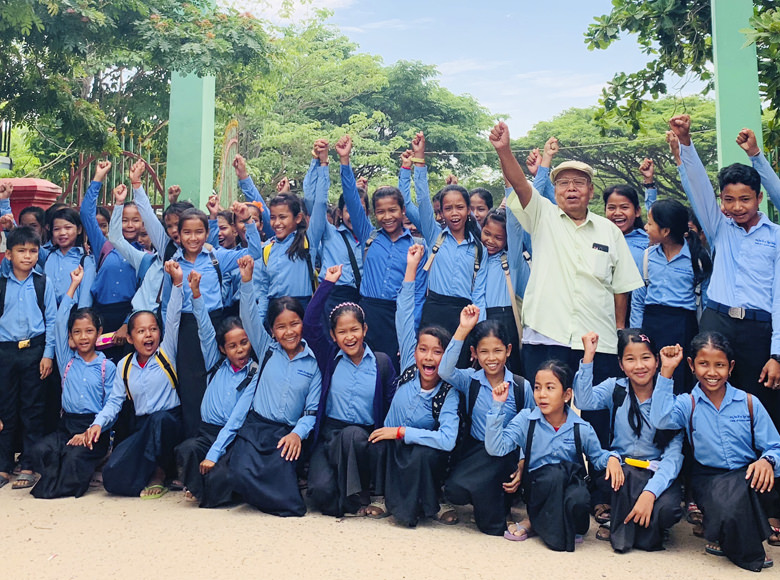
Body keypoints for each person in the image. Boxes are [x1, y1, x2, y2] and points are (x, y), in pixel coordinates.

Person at [490, 121, 644, 444]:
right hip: (547, 337)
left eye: (579, 183)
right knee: (545, 414)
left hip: (597, 343)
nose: (571, 188)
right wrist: (504, 150)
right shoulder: (542, 216)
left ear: (590, 191)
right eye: (563, 183)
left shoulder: (610, 232)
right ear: (555, 190)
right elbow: (520, 185)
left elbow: (622, 288)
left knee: (594, 418)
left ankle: (594, 484)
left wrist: (617, 331)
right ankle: (544, 480)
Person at [669, 115, 780, 428]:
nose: (737, 207)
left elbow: (779, 299)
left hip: (759, 329)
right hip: (716, 321)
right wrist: (686, 143)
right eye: (729, 200)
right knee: (708, 394)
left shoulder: (776, 236)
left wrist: (778, 354)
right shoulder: (719, 228)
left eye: (745, 199)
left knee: (762, 400)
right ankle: (706, 467)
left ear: (759, 198)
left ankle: (767, 468)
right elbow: (699, 188)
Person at [130, 161, 247, 439]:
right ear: (177, 236)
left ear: (208, 233)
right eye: (186, 232)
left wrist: (248, 225)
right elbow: (147, 217)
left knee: (220, 383)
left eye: (199, 232)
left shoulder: (218, 258)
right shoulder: (172, 261)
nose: (193, 238)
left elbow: (252, 253)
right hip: (186, 327)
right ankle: (193, 449)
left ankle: (221, 447)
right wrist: (137, 186)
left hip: (217, 323)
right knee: (191, 388)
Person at [650, 332, 780, 571]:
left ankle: (724, 533)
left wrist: (768, 461)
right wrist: (666, 371)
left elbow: (775, 445)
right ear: (691, 365)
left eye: (719, 365)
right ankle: (736, 541)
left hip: (748, 476)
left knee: (740, 492)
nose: (712, 372)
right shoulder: (686, 403)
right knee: (728, 505)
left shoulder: (749, 402)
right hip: (708, 479)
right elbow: (660, 418)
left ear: (730, 367)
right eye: (703, 364)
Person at [485, 360, 624, 552]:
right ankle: (535, 521)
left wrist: (613, 458)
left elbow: (598, 458)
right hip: (538, 489)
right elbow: (496, 448)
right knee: (553, 475)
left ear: (567, 395)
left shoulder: (580, 428)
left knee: (578, 496)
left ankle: (548, 523)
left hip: (569, 489)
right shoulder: (527, 419)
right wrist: (497, 407)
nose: (542, 395)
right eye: (537, 387)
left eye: (550, 388)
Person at [366, 244, 459, 527]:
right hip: (392, 446)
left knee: (423, 454)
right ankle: (380, 497)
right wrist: (411, 267)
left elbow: (447, 439)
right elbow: (404, 313)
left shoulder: (449, 391)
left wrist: (404, 432)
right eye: (423, 349)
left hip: (422, 451)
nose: (428, 357)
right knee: (378, 443)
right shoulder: (408, 366)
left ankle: (434, 502)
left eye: (437, 352)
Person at [81, 261, 185, 499]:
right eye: (140, 331)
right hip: (142, 428)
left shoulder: (166, 353)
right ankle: (149, 471)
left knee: (159, 421)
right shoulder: (124, 365)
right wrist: (97, 424)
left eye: (153, 329)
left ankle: (159, 473)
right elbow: (114, 403)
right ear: (129, 337)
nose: (148, 335)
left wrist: (177, 284)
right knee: (113, 478)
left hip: (170, 424)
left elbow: (173, 318)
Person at [574, 330, 684, 552]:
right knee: (613, 481)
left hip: (654, 471)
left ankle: (627, 519)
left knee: (668, 510)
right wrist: (588, 357)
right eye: (630, 359)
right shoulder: (616, 388)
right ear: (621, 365)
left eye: (646, 358)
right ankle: (633, 521)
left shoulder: (673, 402)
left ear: (656, 361)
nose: (639, 366)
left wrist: (649, 493)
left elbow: (673, 459)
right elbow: (583, 401)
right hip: (621, 472)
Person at [230, 256, 321, 517]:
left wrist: (296, 434)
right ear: (272, 331)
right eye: (281, 327)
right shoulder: (266, 348)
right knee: (237, 474)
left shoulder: (314, 363)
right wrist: (247, 281)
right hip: (257, 426)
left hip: (286, 433)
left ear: (303, 324)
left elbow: (311, 412)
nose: (289, 332)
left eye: (294, 324)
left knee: (289, 499)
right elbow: (247, 316)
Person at [303, 264, 396, 517]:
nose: (349, 337)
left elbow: (391, 406)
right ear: (333, 336)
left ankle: (362, 494)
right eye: (342, 332)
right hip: (330, 436)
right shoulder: (329, 358)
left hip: (364, 441)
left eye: (354, 329)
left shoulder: (382, 363)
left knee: (354, 435)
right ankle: (350, 494)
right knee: (322, 494)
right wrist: (327, 284)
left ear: (365, 330)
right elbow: (310, 324)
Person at [437, 305, 535, 536]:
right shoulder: (469, 380)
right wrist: (463, 328)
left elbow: (531, 428)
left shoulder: (521, 386)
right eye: (484, 352)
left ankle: (502, 507)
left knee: (490, 522)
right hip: (477, 452)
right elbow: (444, 369)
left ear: (508, 350)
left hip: (507, 455)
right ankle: (495, 505)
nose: (491, 358)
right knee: (455, 489)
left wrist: (522, 464)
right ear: (474, 353)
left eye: (497, 351)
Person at [338, 134, 428, 371]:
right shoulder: (369, 235)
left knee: (391, 372)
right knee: (362, 369)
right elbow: (350, 197)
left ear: (402, 211)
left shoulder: (417, 247)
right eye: (380, 211)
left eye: (392, 210)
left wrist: (410, 330)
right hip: (367, 313)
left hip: (398, 316)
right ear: (373, 214)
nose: (387, 217)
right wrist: (344, 161)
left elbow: (418, 294)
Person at [30, 266, 116, 498]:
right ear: (71, 337)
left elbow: (112, 405)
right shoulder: (67, 360)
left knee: (73, 458)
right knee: (38, 451)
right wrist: (73, 286)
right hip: (66, 426)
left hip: (93, 429)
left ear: (99, 333)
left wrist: (91, 429)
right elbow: (59, 323)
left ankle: (94, 460)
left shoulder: (107, 366)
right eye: (77, 332)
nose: (83, 337)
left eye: (89, 331)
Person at [174, 271, 255, 508]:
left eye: (244, 343)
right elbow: (205, 329)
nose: (240, 350)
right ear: (222, 349)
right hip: (206, 432)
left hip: (231, 436)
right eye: (232, 346)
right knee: (186, 450)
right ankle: (203, 487)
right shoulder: (215, 362)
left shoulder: (254, 373)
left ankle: (212, 487)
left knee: (222, 475)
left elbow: (237, 419)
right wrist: (196, 294)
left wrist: (213, 454)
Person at [631, 199, 712, 393]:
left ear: (666, 231)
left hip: (683, 326)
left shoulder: (698, 259)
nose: (646, 227)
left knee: (680, 378)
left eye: (650, 223)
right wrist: (635, 335)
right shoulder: (647, 256)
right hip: (651, 325)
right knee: (650, 375)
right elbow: (638, 300)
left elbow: (706, 301)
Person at [415, 131, 487, 341]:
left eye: (460, 207)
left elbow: (479, 293)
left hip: (463, 315)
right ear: (442, 212)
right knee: (432, 367)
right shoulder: (435, 236)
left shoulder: (478, 247)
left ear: (468, 210)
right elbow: (422, 199)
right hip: (434, 310)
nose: (454, 213)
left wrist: (479, 331)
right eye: (448, 208)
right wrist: (420, 159)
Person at [0, 226, 57, 489]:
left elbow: (52, 321)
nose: (28, 256)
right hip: (5, 352)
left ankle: (30, 464)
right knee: (6, 409)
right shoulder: (1, 284)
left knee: (32, 409)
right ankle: (3, 464)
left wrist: (47, 355)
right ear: (9, 254)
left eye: (33, 251)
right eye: (21, 251)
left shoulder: (42, 282)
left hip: (34, 350)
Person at [79, 161, 138, 362]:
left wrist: (127, 323)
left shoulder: (145, 255)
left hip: (129, 316)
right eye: (124, 220)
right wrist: (98, 178)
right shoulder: (104, 246)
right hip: (101, 314)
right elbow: (86, 214)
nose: (129, 225)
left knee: (124, 372)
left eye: (135, 220)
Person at [481, 209, 525, 373]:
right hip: (480, 317)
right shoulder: (476, 257)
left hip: (505, 318)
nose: (491, 240)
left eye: (498, 237)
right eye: (487, 233)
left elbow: (515, 227)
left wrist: (510, 187)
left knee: (509, 368)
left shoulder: (510, 260)